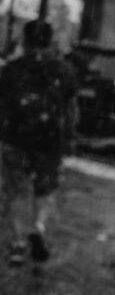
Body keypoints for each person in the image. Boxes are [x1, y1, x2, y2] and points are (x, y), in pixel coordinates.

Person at [0, 19, 78, 267]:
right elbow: (71, 108)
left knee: (16, 190)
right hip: (49, 141)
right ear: (50, 41)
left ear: (25, 40)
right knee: (45, 187)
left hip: (15, 138)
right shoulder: (63, 70)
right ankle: (38, 227)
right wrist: (70, 136)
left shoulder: (12, 69)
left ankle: (17, 244)